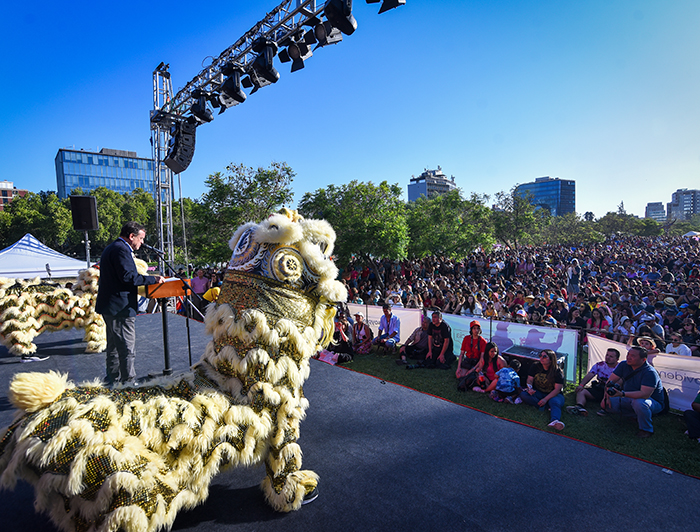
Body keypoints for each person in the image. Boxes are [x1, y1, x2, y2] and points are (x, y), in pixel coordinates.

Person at [96, 221, 164, 386]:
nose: (142, 243)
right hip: (121, 307)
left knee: (113, 346)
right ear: (131, 236)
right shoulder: (121, 249)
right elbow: (129, 277)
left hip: (111, 305)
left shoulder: (113, 247)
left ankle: (113, 379)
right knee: (126, 346)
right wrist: (153, 279)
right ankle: (128, 382)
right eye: (140, 239)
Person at [603, 346, 665, 438]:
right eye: (628, 354)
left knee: (639, 403)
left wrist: (622, 394)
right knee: (606, 405)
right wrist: (606, 397)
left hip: (650, 401)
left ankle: (646, 429)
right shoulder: (623, 365)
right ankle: (636, 415)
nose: (629, 357)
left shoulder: (650, 372)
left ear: (643, 360)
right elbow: (610, 382)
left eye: (633, 356)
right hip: (628, 396)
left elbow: (644, 394)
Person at [519, 349, 566, 431]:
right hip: (539, 392)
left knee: (555, 402)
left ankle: (555, 420)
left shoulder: (557, 372)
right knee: (523, 395)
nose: (541, 358)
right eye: (540, 355)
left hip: (553, 394)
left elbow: (557, 389)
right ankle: (547, 406)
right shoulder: (535, 366)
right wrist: (530, 389)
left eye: (544, 356)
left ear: (551, 359)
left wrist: (545, 399)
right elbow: (529, 379)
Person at [567, 348, 620, 416]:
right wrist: (581, 385)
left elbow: (620, 383)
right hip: (599, 388)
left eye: (611, 356)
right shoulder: (600, 365)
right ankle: (579, 407)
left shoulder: (620, 368)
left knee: (612, 396)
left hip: (611, 392)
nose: (608, 358)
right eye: (607, 355)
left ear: (617, 359)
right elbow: (590, 375)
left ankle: (605, 409)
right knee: (581, 391)